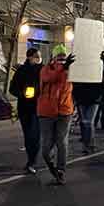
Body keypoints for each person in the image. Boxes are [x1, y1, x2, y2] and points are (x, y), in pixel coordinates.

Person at [37, 45, 75, 185]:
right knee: (46, 148)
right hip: (46, 112)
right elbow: (50, 78)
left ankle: (61, 171)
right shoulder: (46, 69)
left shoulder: (70, 71)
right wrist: (64, 68)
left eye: (64, 58)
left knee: (62, 142)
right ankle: (52, 166)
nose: (61, 61)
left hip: (64, 112)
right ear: (53, 58)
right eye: (59, 58)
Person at [9, 48, 43, 174]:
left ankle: (32, 161)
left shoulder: (42, 69)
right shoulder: (21, 71)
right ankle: (30, 159)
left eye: (39, 56)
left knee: (35, 135)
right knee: (28, 135)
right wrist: (22, 94)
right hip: (24, 107)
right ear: (29, 57)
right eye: (36, 56)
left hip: (38, 107)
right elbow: (12, 88)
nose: (39, 58)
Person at [73, 75, 104, 155]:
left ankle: (89, 145)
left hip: (93, 99)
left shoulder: (95, 69)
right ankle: (86, 145)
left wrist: (99, 96)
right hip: (82, 99)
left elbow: (102, 84)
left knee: (89, 123)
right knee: (84, 123)